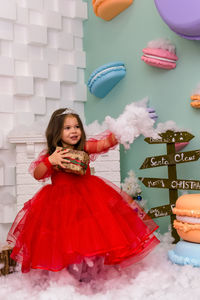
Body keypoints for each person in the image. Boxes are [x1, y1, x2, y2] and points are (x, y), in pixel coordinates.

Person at [7, 108, 159, 282]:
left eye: (77, 126)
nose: (74, 131)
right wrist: (50, 161)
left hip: (89, 196)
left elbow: (103, 144)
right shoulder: (53, 153)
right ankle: (71, 273)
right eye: (68, 128)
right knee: (67, 238)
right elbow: (38, 174)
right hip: (60, 202)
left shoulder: (84, 148)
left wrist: (126, 126)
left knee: (91, 234)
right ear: (56, 132)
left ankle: (91, 271)